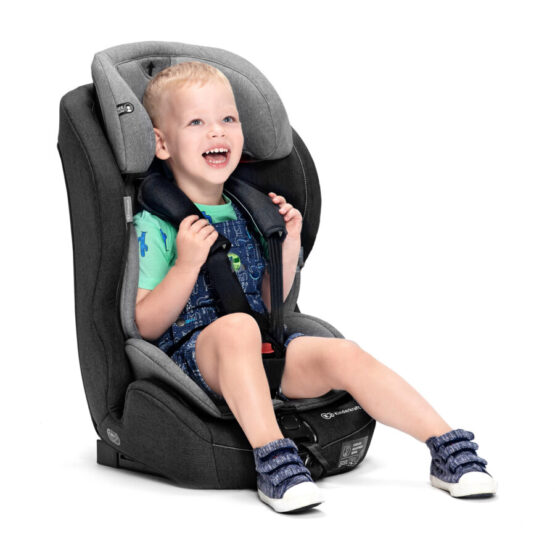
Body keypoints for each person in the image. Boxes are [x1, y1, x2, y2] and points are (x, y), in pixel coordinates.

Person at [134, 61, 497, 513]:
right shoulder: (155, 225)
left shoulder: (251, 211)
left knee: (343, 353)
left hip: (262, 348)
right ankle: (273, 459)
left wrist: (285, 248)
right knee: (238, 329)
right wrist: (186, 265)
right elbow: (145, 325)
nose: (217, 131)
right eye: (196, 122)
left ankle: (445, 446)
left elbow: (272, 304)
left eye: (228, 118)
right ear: (162, 144)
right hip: (195, 359)